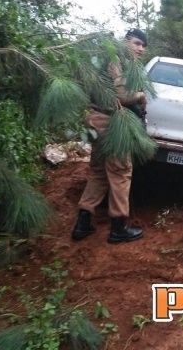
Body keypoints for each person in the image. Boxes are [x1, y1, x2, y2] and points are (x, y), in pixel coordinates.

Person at [71, 28, 149, 244]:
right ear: (125, 43)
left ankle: (83, 223)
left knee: (98, 171)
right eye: (136, 43)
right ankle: (118, 227)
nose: (140, 48)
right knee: (121, 171)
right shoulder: (117, 62)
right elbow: (123, 95)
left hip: (96, 118)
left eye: (143, 45)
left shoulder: (108, 60)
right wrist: (142, 95)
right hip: (109, 123)